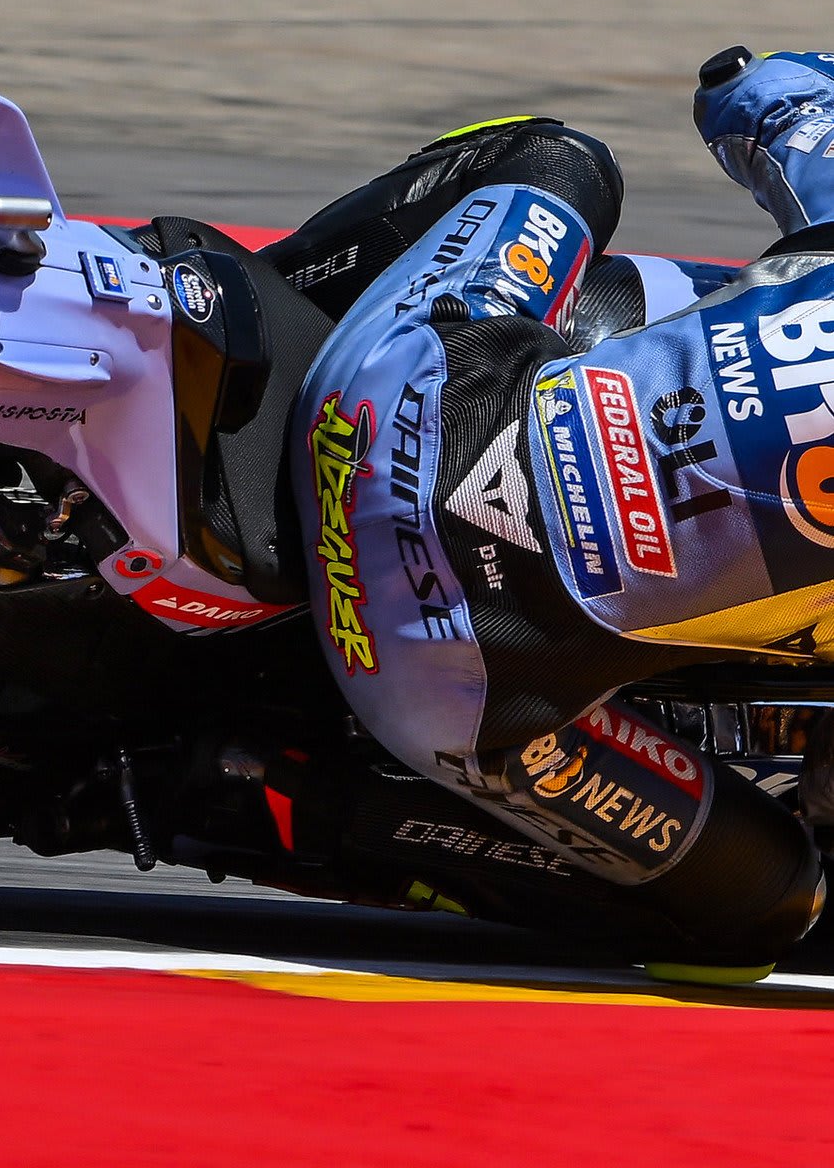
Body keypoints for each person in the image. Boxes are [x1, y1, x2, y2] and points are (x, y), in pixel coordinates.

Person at [269, 48, 834, 983]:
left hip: (389, 403)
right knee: (769, 907)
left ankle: (259, 332)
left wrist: (780, 78)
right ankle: (250, 791)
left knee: (560, 160)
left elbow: (761, 96)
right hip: (446, 684)